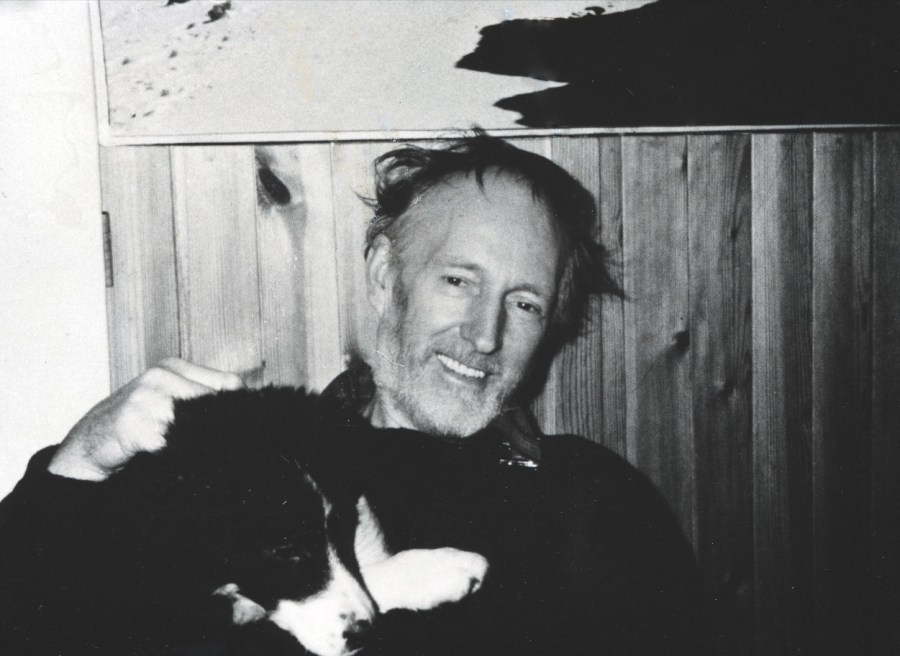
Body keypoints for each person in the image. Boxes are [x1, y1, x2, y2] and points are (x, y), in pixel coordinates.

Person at [0, 131, 716, 655]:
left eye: (524, 303)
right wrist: (81, 463)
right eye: (459, 280)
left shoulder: (590, 498)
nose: (485, 334)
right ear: (383, 274)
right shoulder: (251, 479)